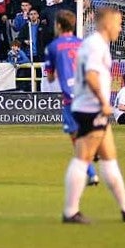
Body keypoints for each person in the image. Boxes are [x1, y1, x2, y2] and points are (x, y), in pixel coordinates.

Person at [62, 6, 125, 224]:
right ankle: (70, 211)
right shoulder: (95, 45)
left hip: (91, 107)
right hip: (91, 108)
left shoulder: (98, 44)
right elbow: (91, 76)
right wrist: (103, 102)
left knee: (109, 158)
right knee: (83, 158)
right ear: (107, 23)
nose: (120, 28)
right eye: (118, 23)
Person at [45, 10, 100, 185]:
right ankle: (92, 167)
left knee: (76, 139)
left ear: (59, 25)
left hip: (70, 98)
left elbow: (51, 77)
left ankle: (91, 171)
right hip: (88, 94)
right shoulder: (83, 43)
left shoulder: (53, 47)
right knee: (86, 132)